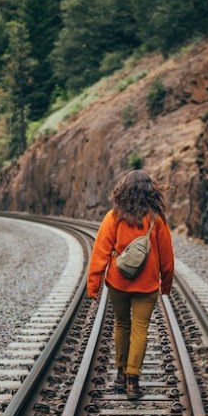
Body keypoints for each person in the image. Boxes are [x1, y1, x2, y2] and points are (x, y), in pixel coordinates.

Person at [87, 169, 175, 400]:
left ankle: (119, 374)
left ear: (123, 190)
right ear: (151, 191)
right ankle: (132, 382)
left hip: (118, 282)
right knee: (140, 329)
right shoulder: (157, 220)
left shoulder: (113, 217)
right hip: (146, 286)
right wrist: (165, 285)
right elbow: (167, 259)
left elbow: (100, 252)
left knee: (121, 324)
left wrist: (93, 285)